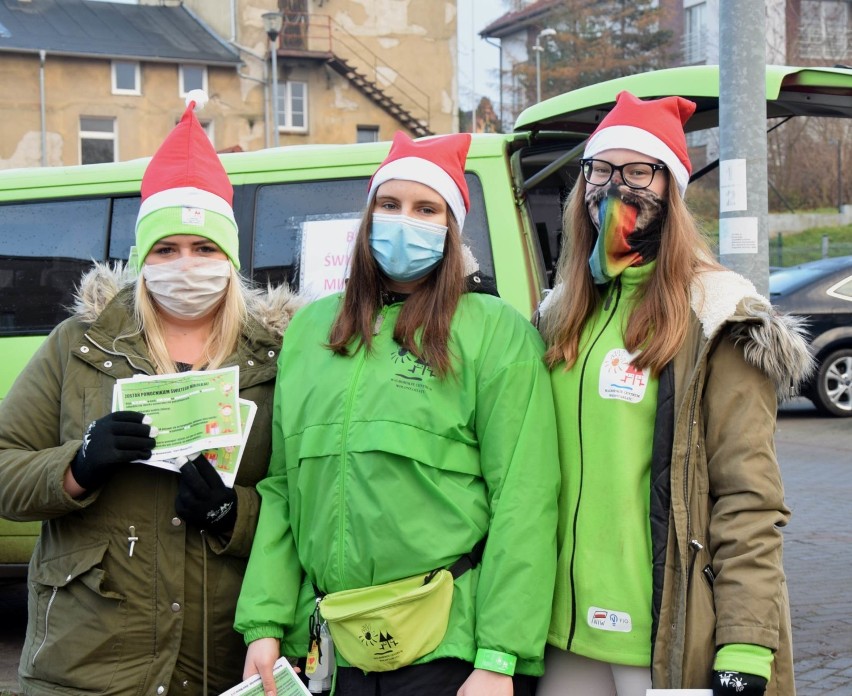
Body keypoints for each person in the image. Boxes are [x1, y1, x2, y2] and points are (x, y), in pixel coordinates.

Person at [235, 131, 560, 696]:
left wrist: (499, 658)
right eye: (389, 205)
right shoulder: (312, 331)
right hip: (335, 646)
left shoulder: (495, 332)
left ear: (451, 227)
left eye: (425, 208)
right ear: (368, 217)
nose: (403, 220)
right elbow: (285, 488)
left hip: (450, 646)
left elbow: (524, 501)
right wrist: (264, 624)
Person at [0, 92, 302, 695]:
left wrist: (230, 512)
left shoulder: (277, 362)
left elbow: (306, 503)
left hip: (213, 659)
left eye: (204, 249)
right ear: (142, 258)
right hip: (87, 663)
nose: (185, 265)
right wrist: (78, 466)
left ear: (230, 257)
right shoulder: (76, 346)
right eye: (166, 249)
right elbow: (5, 469)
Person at [536, 91, 813, 696]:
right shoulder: (559, 317)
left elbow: (748, 495)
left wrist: (746, 641)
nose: (617, 188)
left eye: (640, 172)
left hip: (664, 637)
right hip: (561, 637)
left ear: (673, 189)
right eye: (602, 170)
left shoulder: (718, 316)